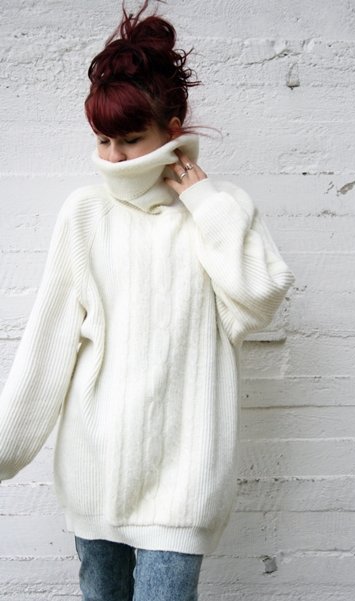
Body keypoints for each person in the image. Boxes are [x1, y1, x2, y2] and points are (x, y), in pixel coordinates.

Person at [0, 1, 296, 600]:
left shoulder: (220, 212)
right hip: (96, 476)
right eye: (103, 141)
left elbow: (259, 296)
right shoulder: (86, 214)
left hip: (183, 487)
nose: (113, 158)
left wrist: (202, 202)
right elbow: (48, 344)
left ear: (172, 128)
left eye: (131, 140)